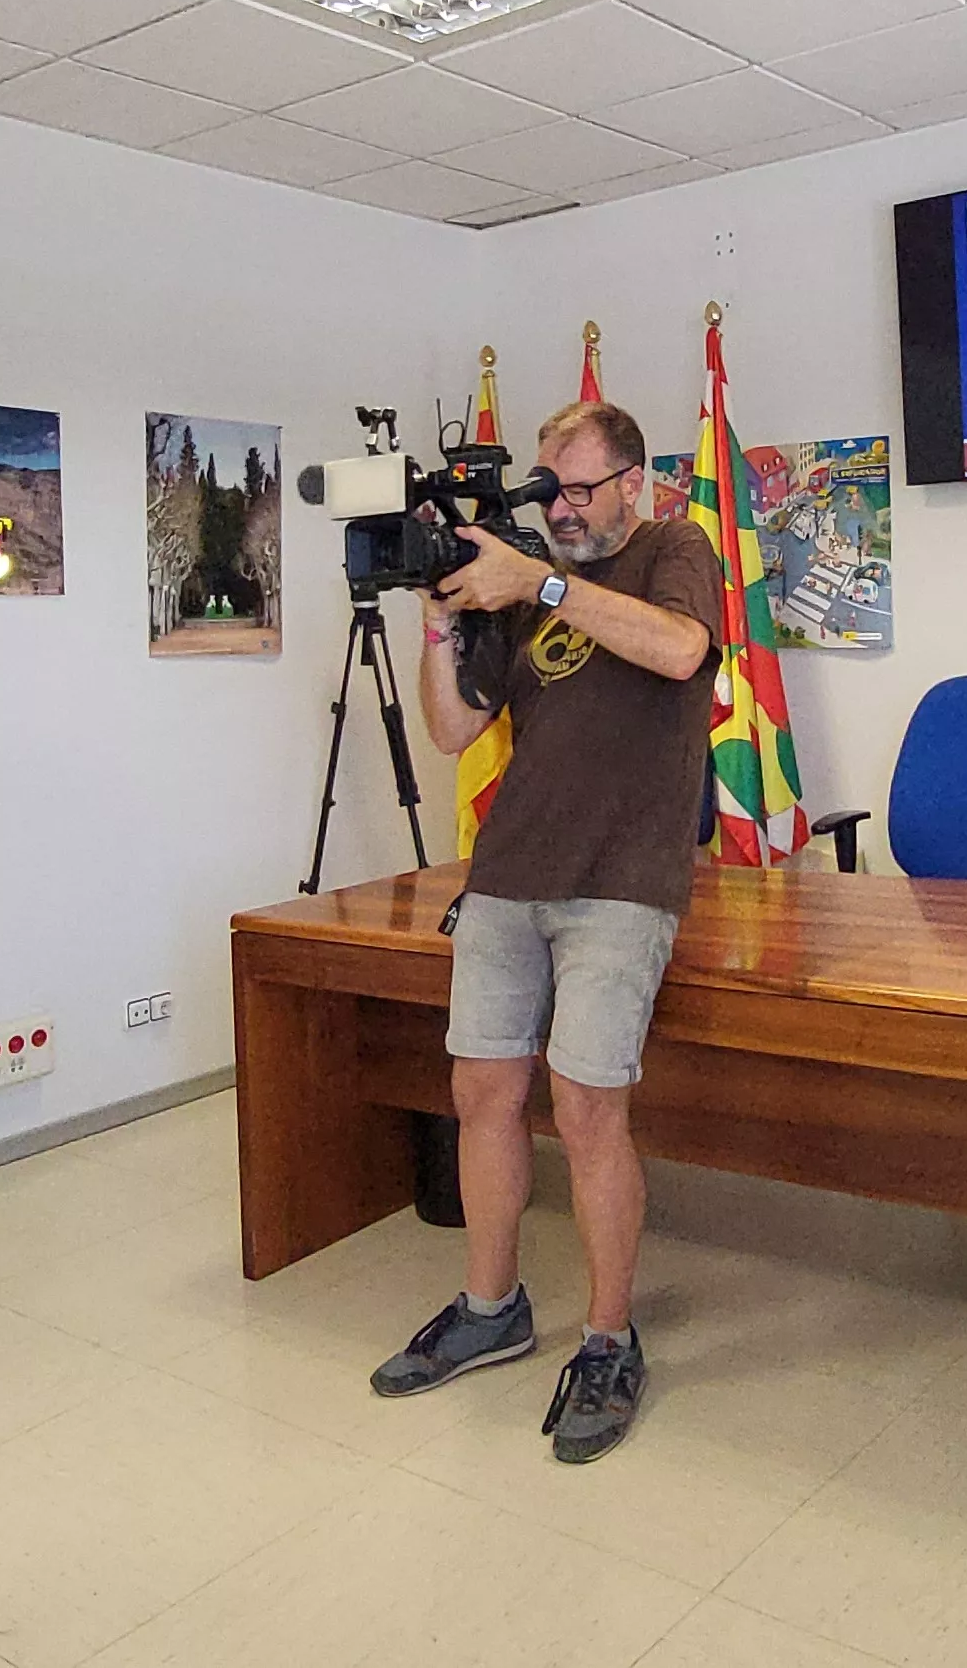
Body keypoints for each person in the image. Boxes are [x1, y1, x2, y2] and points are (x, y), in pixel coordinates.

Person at [368, 398, 718, 1464]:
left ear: (631, 481)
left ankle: (608, 1340)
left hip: (622, 881)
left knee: (587, 1109)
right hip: (509, 873)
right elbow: (453, 728)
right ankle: (492, 1307)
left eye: (577, 490)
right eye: (546, 490)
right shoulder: (522, 578)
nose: (558, 509)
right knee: (481, 1092)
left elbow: (679, 651)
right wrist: (441, 618)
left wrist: (542, 584)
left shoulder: (673, 549)